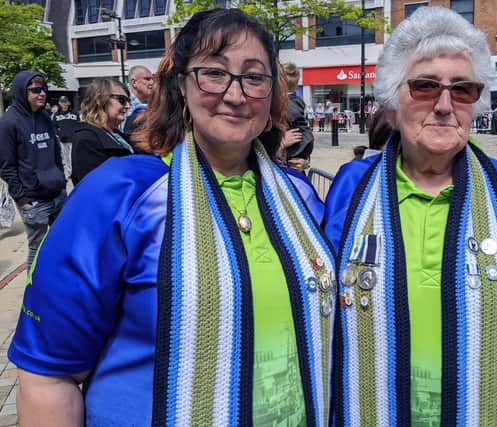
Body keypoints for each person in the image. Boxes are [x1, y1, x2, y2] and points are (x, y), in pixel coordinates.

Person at [9, 9, 334, 427]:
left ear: (272, 93)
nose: (235, 94)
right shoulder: (120, 195)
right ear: (182, 83)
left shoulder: (302, 199)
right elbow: (49, 372)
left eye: (254, 77)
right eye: (214, 73)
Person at [323, 7, 497, 426]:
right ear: (392, 101)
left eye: (462, 90)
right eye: (425, 87)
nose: (444, 105)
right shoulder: (351, 189)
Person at [0, 71, 66, 269]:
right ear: (21, 92)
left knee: (61, 244)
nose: (42, 94)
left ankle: (56, 287)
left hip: (57, 194)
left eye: (43, 89)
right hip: (34, 200)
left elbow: (56, 154)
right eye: (35, 90)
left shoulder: (45, 117)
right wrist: (23, 200)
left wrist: (61, 183)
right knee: (37, 251)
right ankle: (33, 295)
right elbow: (6, 167)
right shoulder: (9, 123)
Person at [71, 78, 135, 184]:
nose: (128, 106)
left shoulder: (117, 134)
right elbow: (94, 186)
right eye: (122, 100)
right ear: (100, 100)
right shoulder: (86, 139)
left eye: (129, 101)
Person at [280, 62, 314, 173]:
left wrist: (305, 162)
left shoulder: (284, 105)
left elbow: (303, 134)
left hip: (290, 170)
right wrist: (281, 145)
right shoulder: (298, 103)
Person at [123, 65, 154, 141]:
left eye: (152, 79)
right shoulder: (123, 103)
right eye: (147, 79)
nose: (152, 82)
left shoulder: (152, 102)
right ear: (134, 83)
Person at [51, 95, 79, 179]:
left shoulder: (74, 113)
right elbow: (54, 126)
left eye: (65, 102)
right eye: (62, 102)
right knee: (65, 158)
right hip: (62, 139)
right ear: (59, 103)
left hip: (73, 139)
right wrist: (58, 134)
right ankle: (68, 172)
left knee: (72, 157)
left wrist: (76, 134)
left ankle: (74, 172)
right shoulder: (56, 115)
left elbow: (79, 124)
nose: (64, 104)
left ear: (69, 103)